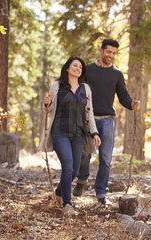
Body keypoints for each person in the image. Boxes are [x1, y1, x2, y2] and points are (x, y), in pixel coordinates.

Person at [73, 39, 140, 205]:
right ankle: (82, 180)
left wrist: (131, 104)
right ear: (101, 51)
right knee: (84, 154)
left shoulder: (116, 74)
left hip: (107, 120)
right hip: (88, 118)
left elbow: (123, 95)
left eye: (114, 53)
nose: (111, 55)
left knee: (105, 159)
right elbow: (77, 89)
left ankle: (101, 193)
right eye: (108, 52)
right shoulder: (87, 69)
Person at [39, 56, 101, 216]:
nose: (77, 69)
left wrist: (94, 132)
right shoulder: (57, 86)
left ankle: (59, 192)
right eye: (75, 65)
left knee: (73, 170)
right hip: (60, 132)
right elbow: (48, 111)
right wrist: (46, 103)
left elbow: (90, 112)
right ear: (67, 68)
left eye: (80, 67)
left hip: (79, 133)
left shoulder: (85, 89)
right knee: (68, 167)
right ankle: (67, 203)